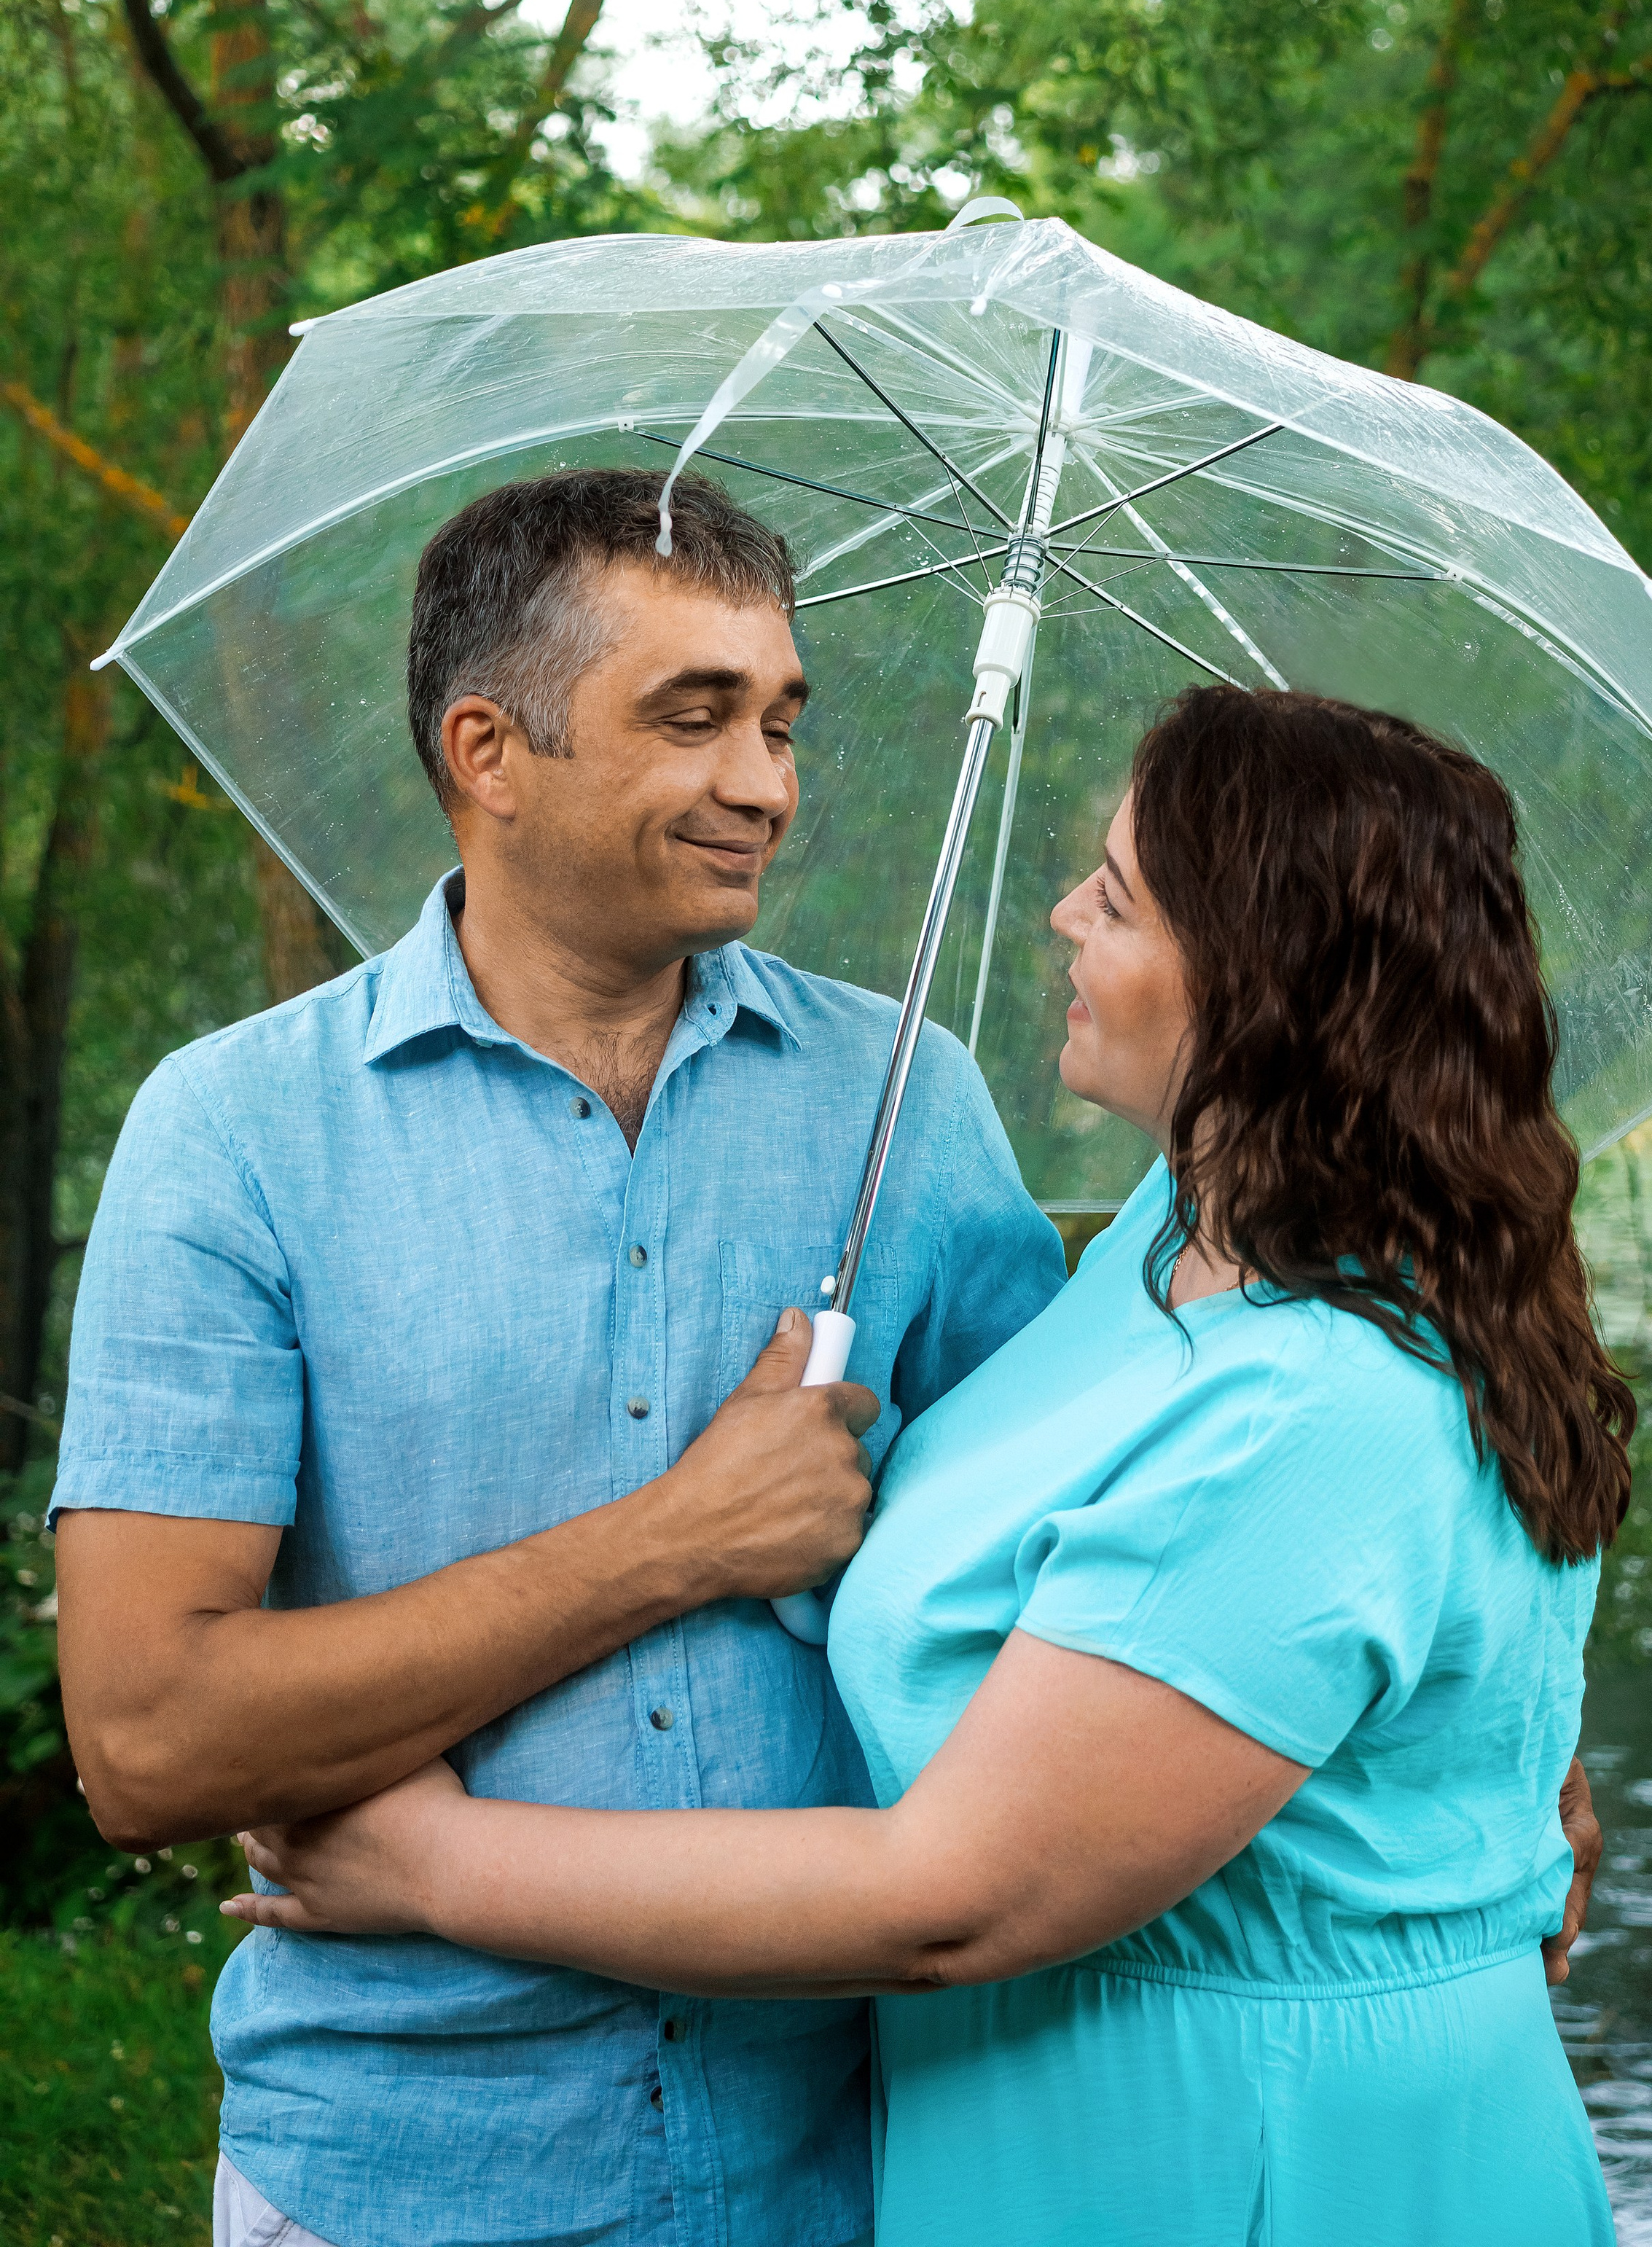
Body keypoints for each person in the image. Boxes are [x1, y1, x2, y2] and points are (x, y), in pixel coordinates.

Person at [226, 684, 1628, 2247]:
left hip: (1264, 2162)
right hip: (1045, 2141)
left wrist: (427, 1862)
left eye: (1116, 898)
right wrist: (746, 1502)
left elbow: (950, 1898)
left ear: (1262, 982)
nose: (1062, 915)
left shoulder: (1318, 1403)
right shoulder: (1177, 1243)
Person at [50, 467, 1068, 2247]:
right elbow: (148, 1744)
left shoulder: (906, 1099)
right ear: (489, 750)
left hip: (845, 2166)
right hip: (400, 2175)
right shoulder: (235, 1135)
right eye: (693, 717)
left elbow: (1084, 1576)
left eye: (779, 722)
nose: (765, 783)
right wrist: (682, 1539)